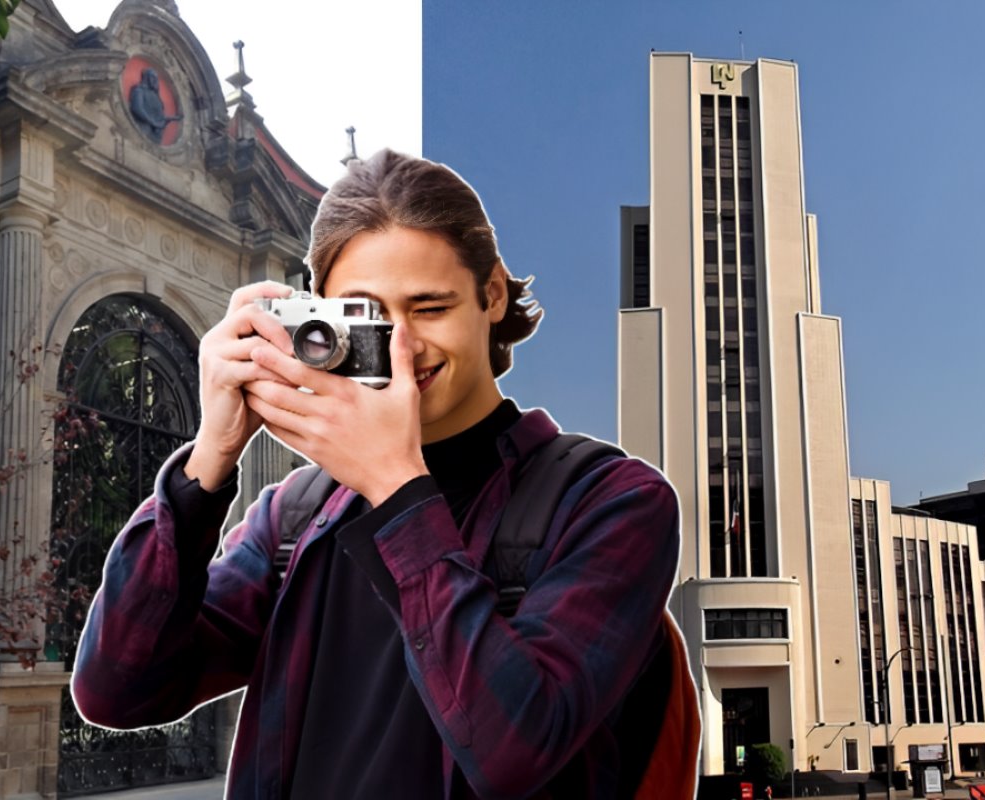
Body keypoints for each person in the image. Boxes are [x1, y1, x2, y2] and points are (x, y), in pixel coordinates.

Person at [71, 149, 697, 798]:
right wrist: (207, 463)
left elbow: (515, 752)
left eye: (429, 308)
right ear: (320, 319)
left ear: (490, 295)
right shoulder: (296, 513)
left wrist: (398, 490)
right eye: (365, 317)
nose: (401, 348)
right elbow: (116, 689)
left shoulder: (612, 501)